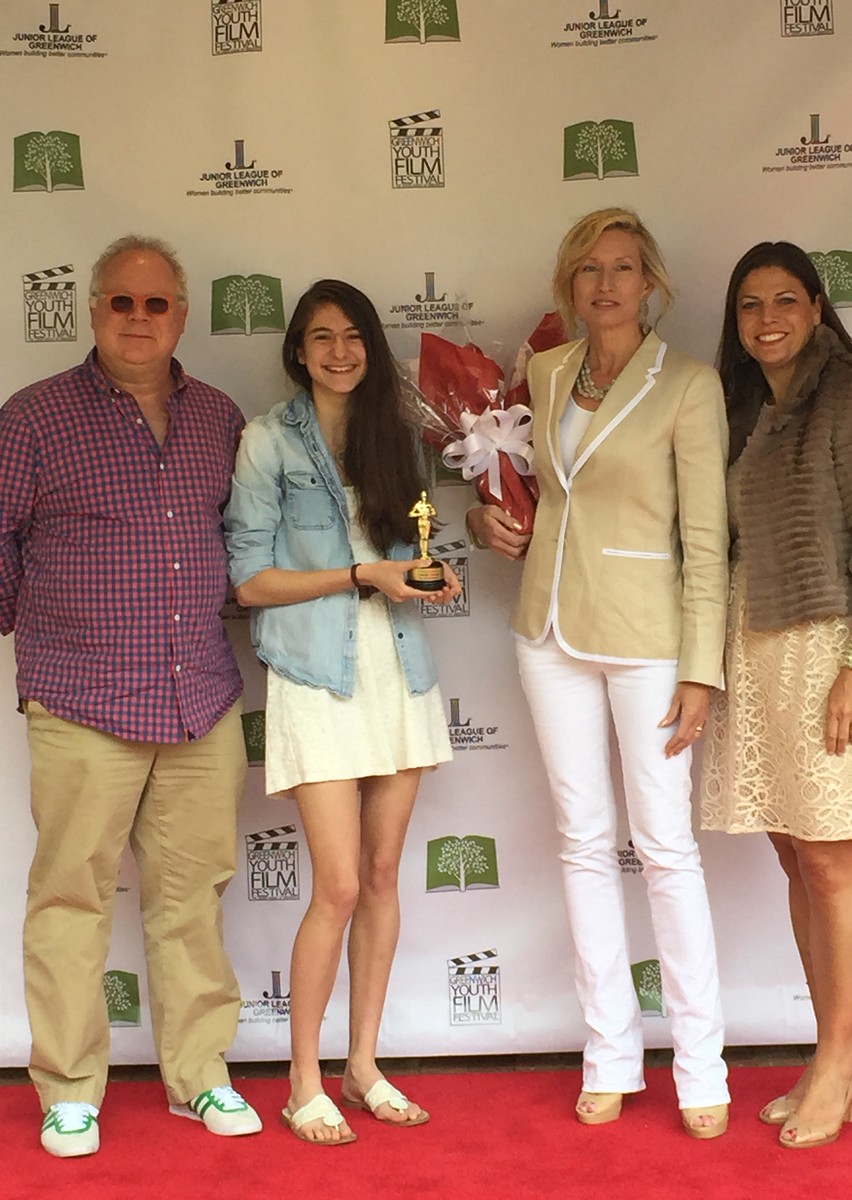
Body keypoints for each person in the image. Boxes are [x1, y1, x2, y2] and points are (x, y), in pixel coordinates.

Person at [468, 209, 731, 1137]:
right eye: (588, 270)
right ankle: (609, 1052)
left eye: (623, 268)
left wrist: (702, 668)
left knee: (664, 849)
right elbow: (539, 502)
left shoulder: (689, 385)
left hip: (649, 639)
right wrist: (484, 525)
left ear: (651, 281)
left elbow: (706, 539)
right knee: (583, 842)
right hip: (546, 631)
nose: (605, 285)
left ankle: (702, 1066)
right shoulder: (544, 374)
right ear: (567, 285)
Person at [0, 235, 262, 1158]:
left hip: (201, 702)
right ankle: (70, 1087)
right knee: (70, 898)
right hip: (82, 703)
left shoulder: (221, 418)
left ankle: (201, 1075)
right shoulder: (32, 418)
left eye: (156, 304)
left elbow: (249, 543)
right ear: (95, 312)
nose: (138, 318)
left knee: (192, 897)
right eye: (122, 303)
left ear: (183, 315)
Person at [225, 278, 459, 1146]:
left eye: (354, 333)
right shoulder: (264, 441)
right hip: (318, 675)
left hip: (398, 671)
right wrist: (364, 576)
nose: (339, 351)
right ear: (298, 350)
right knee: (340, 884)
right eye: (321, 336)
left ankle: (362, 1066)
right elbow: (249, 581)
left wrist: (429, 577)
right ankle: (302, 1081)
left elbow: (411, 553)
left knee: (388, 874)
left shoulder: (397, 435)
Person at [700, 242, 852, 1149]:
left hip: (831, 652)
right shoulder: (744, 407)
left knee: (831, 863)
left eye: (785, 300)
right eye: (750, 305)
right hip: (757, 649)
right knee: (795, 859)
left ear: (819, 308)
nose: (767, 319)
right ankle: (838, 1045)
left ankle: (836, 1058)